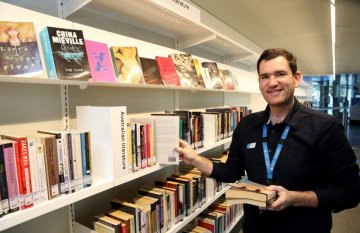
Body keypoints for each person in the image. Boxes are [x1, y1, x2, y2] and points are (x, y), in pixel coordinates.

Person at [175, 48, 360, 233]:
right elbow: (232, 171)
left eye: (280, 74)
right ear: (259, 82)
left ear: (296, 78)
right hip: (255, 227)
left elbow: (350, 192)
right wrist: (196, 160)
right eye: (265, 76)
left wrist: (294, 198)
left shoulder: (325, 128)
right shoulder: (247, 125)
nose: (272, 83)